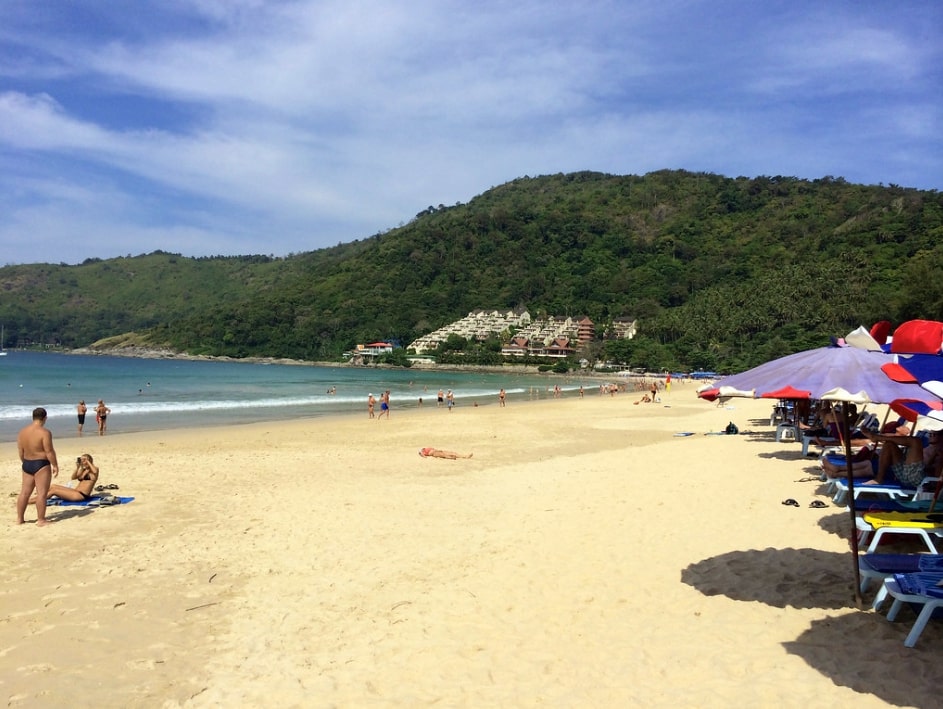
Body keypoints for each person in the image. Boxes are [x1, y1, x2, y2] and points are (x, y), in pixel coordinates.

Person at [16, 407, 59, 526]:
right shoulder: (45, 432)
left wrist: (24, 462)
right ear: (45, 418)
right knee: (41, 493)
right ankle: (41, 520)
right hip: (41, 464)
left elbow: (21, 450)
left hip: (27, 463)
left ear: (33, 417)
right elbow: (49, 451)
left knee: (24, 493)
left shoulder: (22, 432)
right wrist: (55, 465)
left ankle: (19, 519)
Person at [862, 429, 943, 486]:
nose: (931, 436)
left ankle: (878, 437)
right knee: (889, 444)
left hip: (919, 479)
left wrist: (937, 461)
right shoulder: (928, 447)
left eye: (935, 434)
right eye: (930, 434)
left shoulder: (940, 451)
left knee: (915, 441)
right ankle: (878, 479)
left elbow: (937, 476)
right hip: (905, 472)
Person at [30, 453, 99, 504]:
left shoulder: (94, 469)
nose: (83, 461)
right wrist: (78, 467)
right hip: (75, 491)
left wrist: (88, 462)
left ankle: (31, 501)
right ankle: (38, 496)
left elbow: (95, 472)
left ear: (89, 460)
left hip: (81, 495)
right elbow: (73, 477)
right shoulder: (83, 470)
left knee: (54, 492)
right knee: (53, 486)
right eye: (82, 460)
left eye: (84, 460)